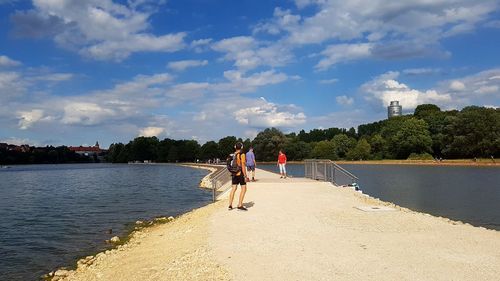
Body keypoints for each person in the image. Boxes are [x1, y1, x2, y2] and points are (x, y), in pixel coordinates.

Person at [228, 142, 248, 211]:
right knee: (244, 188)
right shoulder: (242, 154)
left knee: (233, 188)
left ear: (235, 147)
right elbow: (242, 165)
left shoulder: (233, 154)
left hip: (234, 173)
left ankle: (230, 205)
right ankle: (240, 204)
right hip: (240, 174)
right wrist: (245, 176)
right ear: (242, 147)